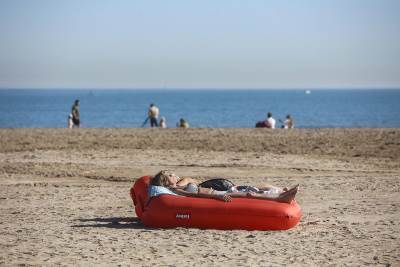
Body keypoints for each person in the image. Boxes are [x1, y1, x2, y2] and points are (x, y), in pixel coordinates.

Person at [149, 170, 299, 203]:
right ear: (164, 181)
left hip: (220, 192)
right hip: (218, 194)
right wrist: (216, 195)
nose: (173, 174)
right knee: (249, 195)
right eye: (169, 174)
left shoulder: (178, 186)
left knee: (250, 192)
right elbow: (196, 194)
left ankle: (281, 195)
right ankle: (280, 198)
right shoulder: (175, 189)